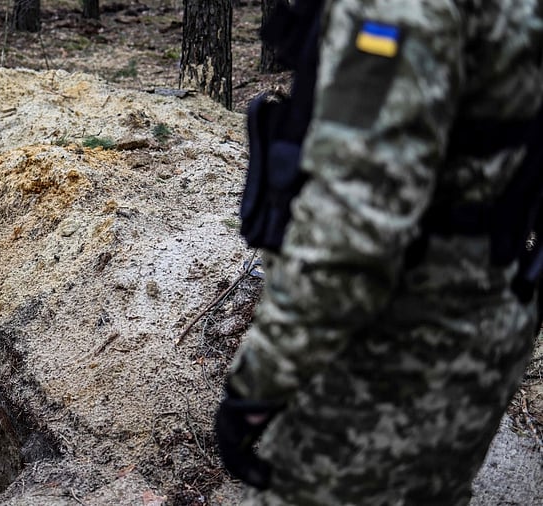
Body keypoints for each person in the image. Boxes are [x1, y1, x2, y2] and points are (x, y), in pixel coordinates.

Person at [217, 1, 543, 505]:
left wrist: (258, 385)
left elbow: (354, 232)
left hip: (395, 349)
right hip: (479, 330)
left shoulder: (395, 9)